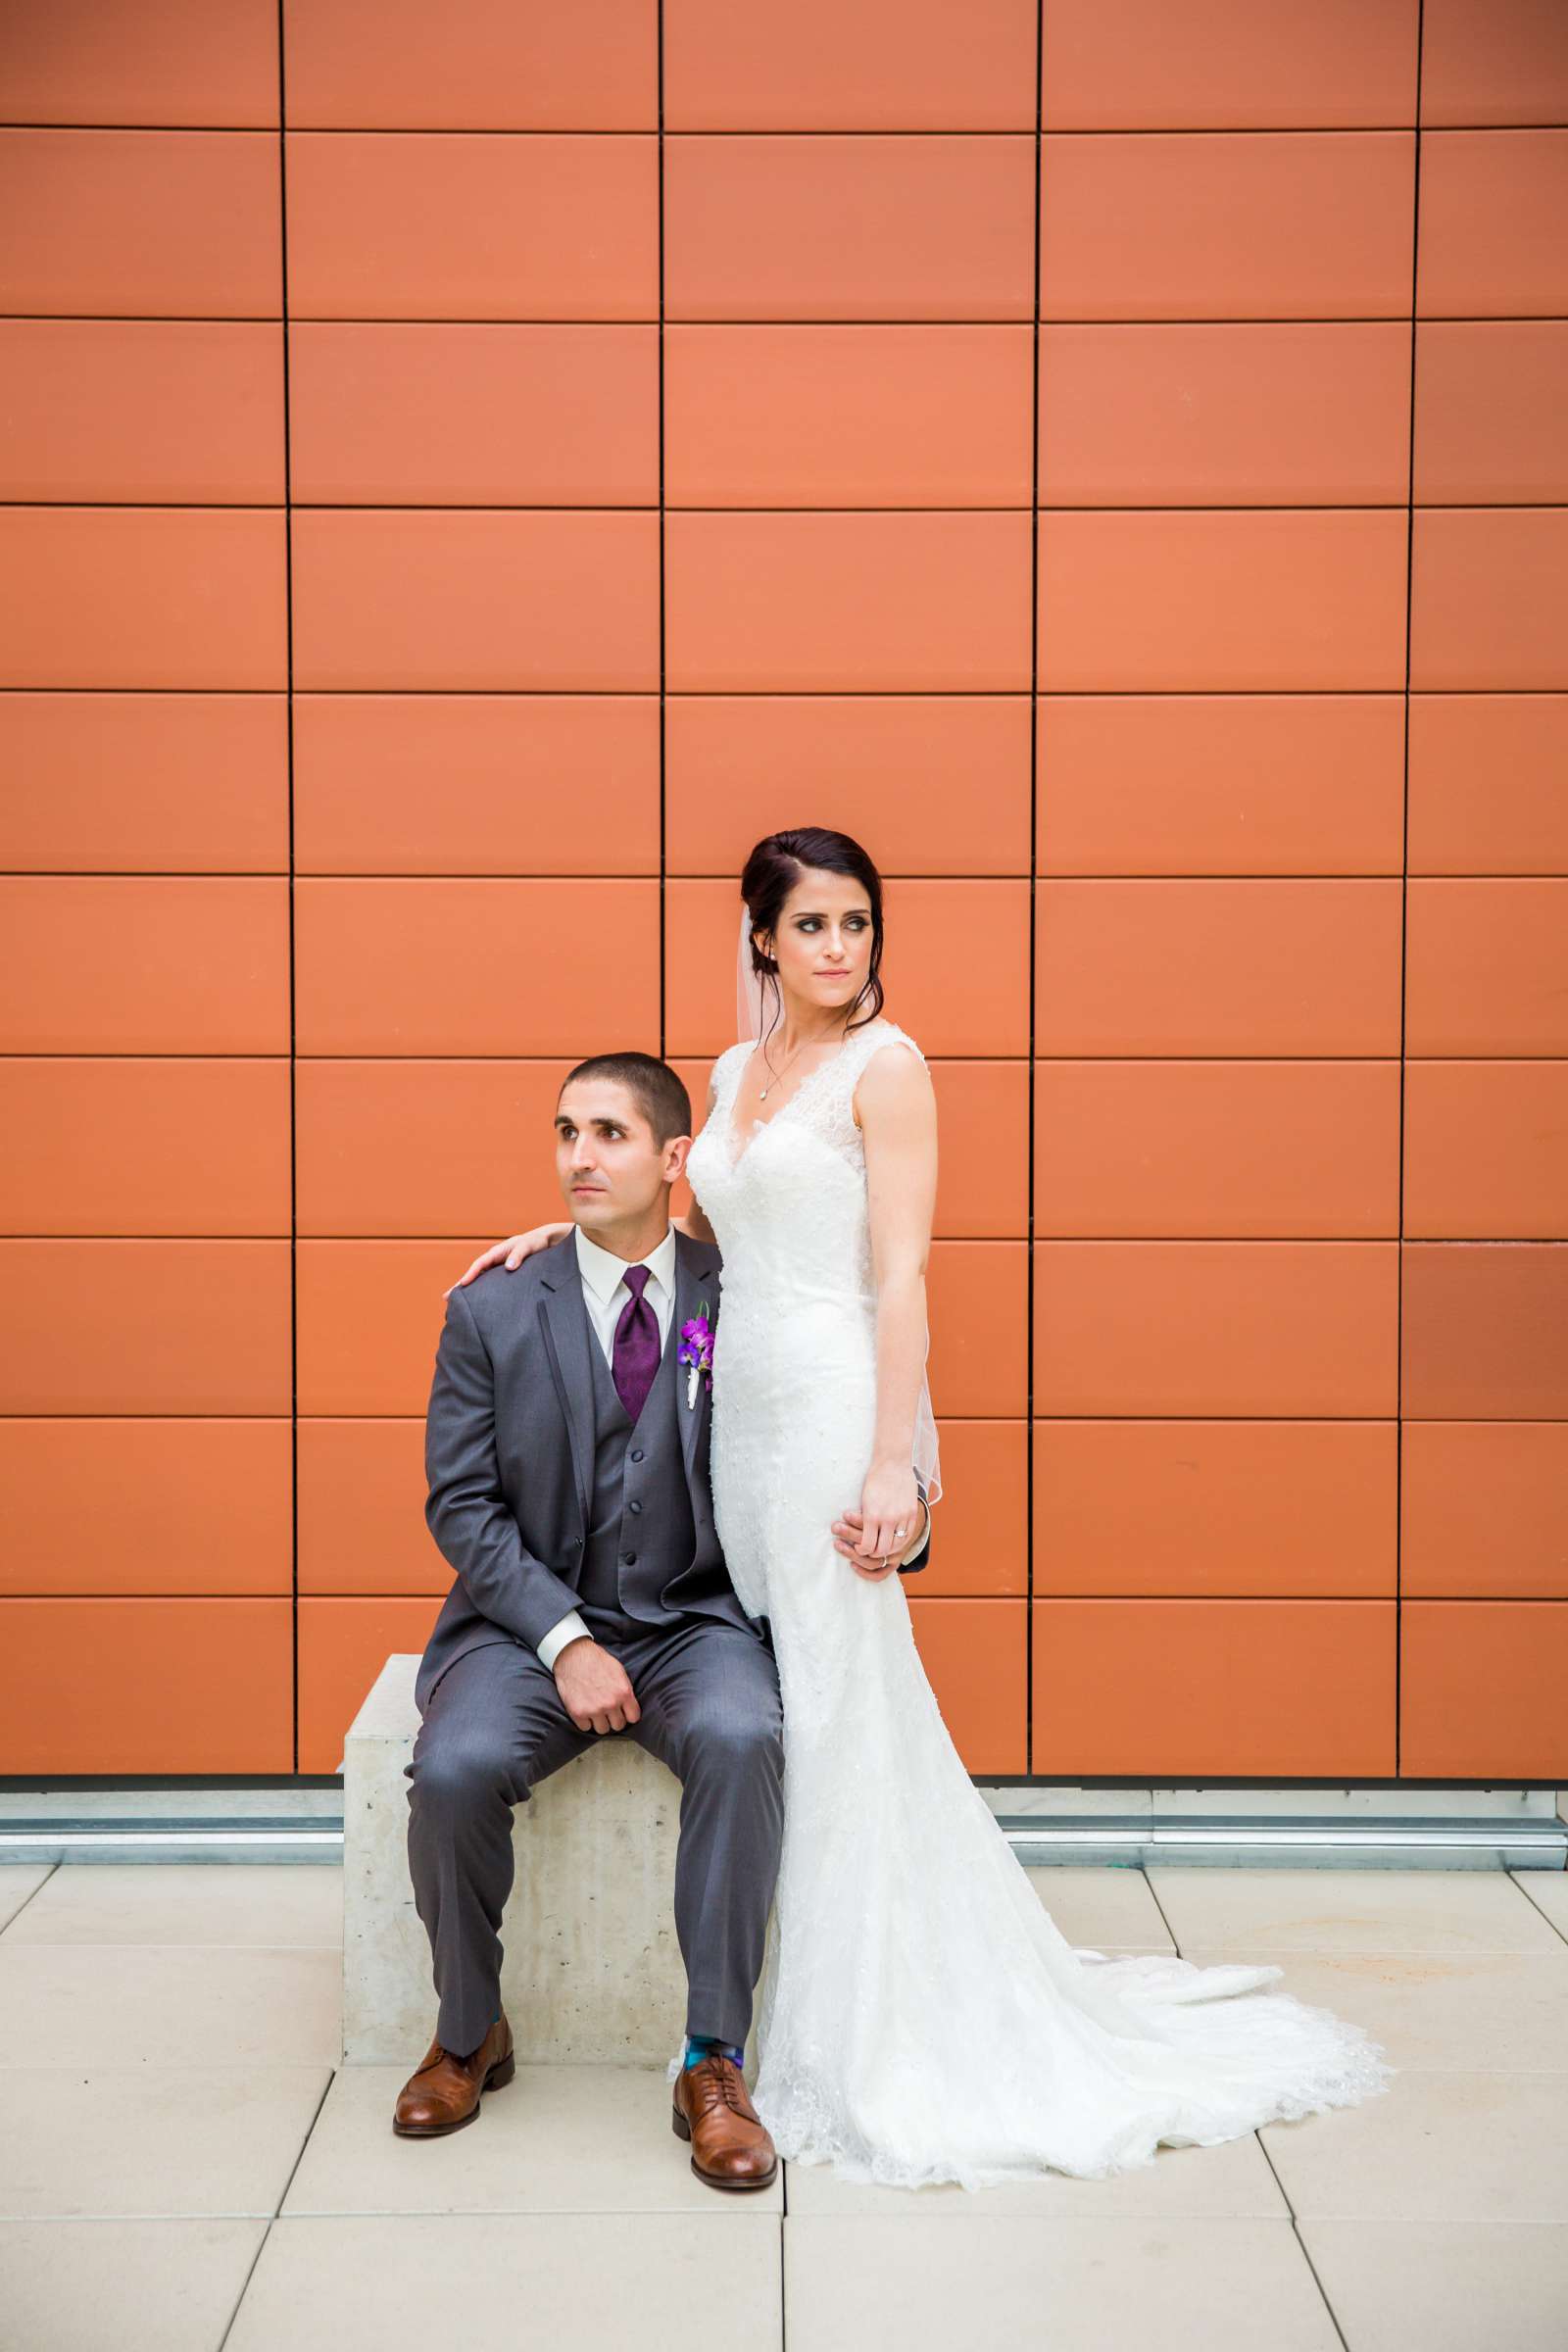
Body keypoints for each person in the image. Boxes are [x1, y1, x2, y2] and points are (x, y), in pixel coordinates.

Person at [448, 824, 1396, 2191]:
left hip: (834, 1411)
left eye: (859, 924)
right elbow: (711, 1228)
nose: (841, 949)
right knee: (795, 1694)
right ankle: (754, 2012)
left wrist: (895, 1461)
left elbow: (899, 1277)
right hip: (741, 1424)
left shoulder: (890, 1072)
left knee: (840, 1703)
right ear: (761, 938)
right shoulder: (730, 1073)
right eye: (815, 925)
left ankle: (842, 2038)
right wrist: (565, 1232)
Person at [396, 1043, 931, 2186]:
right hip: (527, 1627)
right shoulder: (491, 1306)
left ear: (676, 1157)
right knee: (450, 1769)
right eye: (563, 1133)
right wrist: (564, 1639)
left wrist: (900, 1507)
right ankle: (466, 2030)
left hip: (693, 1620)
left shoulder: (742, 1300)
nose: (578, 1157)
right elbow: (463, 1504)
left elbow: (822, 1418)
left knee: (746, 1738)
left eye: (609, 1134)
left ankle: (713, 2058)